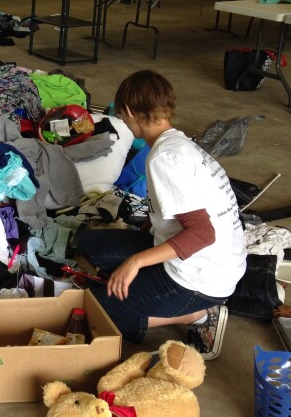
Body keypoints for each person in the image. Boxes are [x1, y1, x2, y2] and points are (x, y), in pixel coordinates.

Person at [75, 70, 246, 360]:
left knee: (96, 310)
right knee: (90, 244)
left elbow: (202, 233)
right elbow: (169, 212)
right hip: (207, 260)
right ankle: (149, 292)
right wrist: (139, 240)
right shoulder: (177, 144)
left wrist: (134, 262)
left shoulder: (165, 159)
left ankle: (194, 315)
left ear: (128, 111)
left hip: (200, 280)